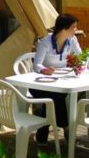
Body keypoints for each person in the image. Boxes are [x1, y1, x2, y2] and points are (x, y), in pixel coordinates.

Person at [31, 13, 82, 145]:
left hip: (61, 82)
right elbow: (36, 64)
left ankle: (43, 132)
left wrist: (78, 64)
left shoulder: (72, 40)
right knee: (57, 97)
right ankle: (66, 128)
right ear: (64, 29)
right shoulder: (45, 42)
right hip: (41, 84)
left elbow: (81, 57)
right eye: (74, 27)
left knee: (57, 96)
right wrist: (45, 70)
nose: (76, 30)